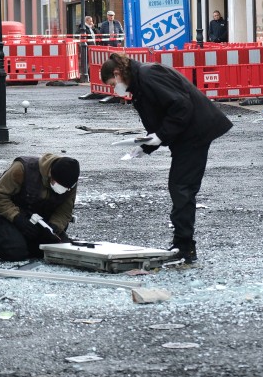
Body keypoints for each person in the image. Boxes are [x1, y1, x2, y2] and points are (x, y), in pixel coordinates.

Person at [99, 53, 232, 263]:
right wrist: (147, 146)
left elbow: (181, 106)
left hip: (194, 132)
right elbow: (163, 116)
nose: (115, 89)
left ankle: (184, 246)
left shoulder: (148, 75)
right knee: (180, 187)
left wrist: (160, 136)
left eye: (113, 83)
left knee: (181, 187)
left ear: (117, 73)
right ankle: (183, 245)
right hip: (188, 133)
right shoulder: (140, 81)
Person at [0, 154, 80, 261]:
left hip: (41, 221)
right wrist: (16, 217)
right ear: (50, 174)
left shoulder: (69, 183)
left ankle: (26, 244)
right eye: (61, 186)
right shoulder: (23, 169)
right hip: (12, 216)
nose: (64, 190)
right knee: (15, 251)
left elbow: (65, 210)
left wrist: (55, 226)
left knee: (57, 250)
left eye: (68, 188)